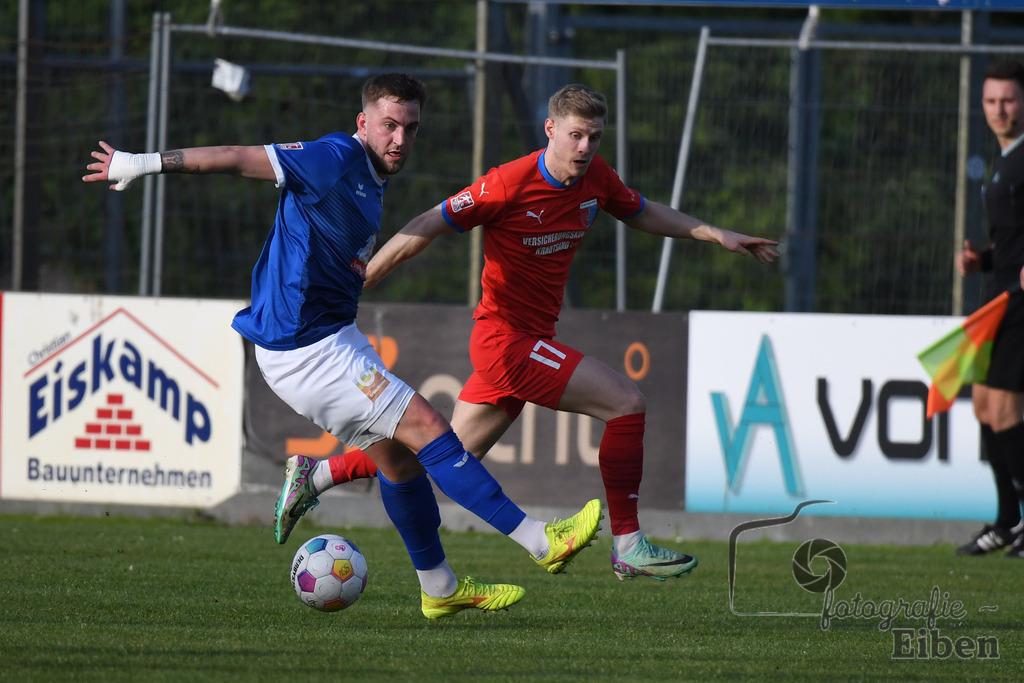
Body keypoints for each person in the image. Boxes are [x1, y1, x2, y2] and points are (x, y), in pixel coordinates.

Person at [83, 73, 603, 619]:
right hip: (305, 347)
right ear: (363, 123)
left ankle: (440, 588)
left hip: (329, 337)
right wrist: (139, 162)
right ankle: (542, 542)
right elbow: (235, 157)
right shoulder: (332, 157)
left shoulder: (372, 174)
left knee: (401, 465)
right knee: (430, 430)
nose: (399, 139)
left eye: (410, 128)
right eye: (388, 126)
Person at [274, 83, 779, 581]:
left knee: (447, 457)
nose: (585, 148)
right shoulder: (507, 184)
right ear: (551, 130)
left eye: (595, 138)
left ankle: (315, 475)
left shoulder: (596, 178)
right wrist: (364, 276)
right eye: (577, 135)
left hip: (532, 337)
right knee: (626, 402)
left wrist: (715, 233)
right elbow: (430, 222)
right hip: (506, 342)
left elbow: (641, 210)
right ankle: (628, 544)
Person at [954, 59, 1024, 559]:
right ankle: (1006, 520)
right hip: (997, 292)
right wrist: (983, 259)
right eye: (991, 101)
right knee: (982, 404)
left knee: (1004, 409)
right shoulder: (1004, 159)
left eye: (1009, 99)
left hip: (1020, 301)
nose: (1000, 109)